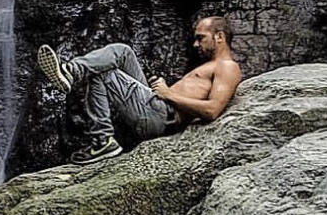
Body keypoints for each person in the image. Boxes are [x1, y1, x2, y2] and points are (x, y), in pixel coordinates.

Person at [36, 16, 243, 165]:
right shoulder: (211, 66)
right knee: (123, 52)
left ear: (219, 37)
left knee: (104, 74)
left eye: (201, 38)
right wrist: (162, 89)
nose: (195, 44)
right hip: (157, 105)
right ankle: (71, 71)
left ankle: (101, 140)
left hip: (162, 116)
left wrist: (169, 94)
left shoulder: (228, 67)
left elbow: (213, 110)